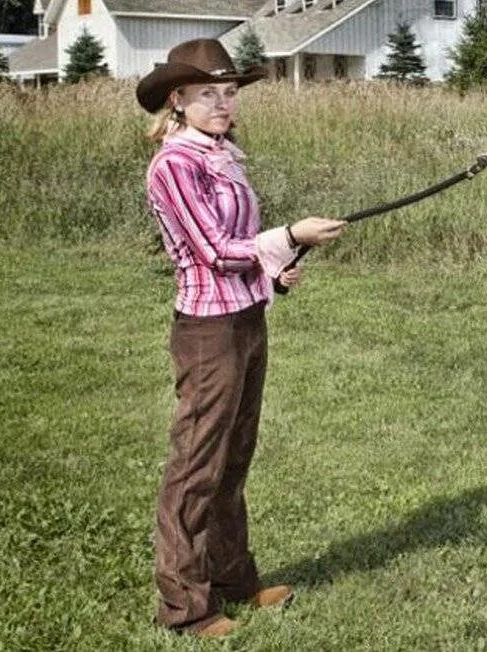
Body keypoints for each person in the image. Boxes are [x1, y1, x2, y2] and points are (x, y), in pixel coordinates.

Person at [136, 39, 345, 638]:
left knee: (233, 459)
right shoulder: (174, 165)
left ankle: (234, 580)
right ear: (178, 100)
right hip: (207, 331)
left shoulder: (224, 155)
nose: (224, 104)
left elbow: (244, 250)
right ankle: (184, 605)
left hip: (247, 317)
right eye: (209, 94)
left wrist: (276, 270)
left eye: (229, 93)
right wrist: (287, 233)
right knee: (196, 466)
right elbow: (212, 252)